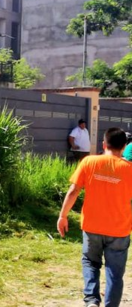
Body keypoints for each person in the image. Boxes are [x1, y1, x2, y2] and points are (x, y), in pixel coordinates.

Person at [57, 127, 132, 307]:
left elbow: (74, 190)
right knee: (115, 272)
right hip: (119, 229)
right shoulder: (129, 169)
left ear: (103, 144)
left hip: (92, 226)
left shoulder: (89, 162)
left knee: (90, 263)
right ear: (124, 147)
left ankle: (91, 301)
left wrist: (63, 216)